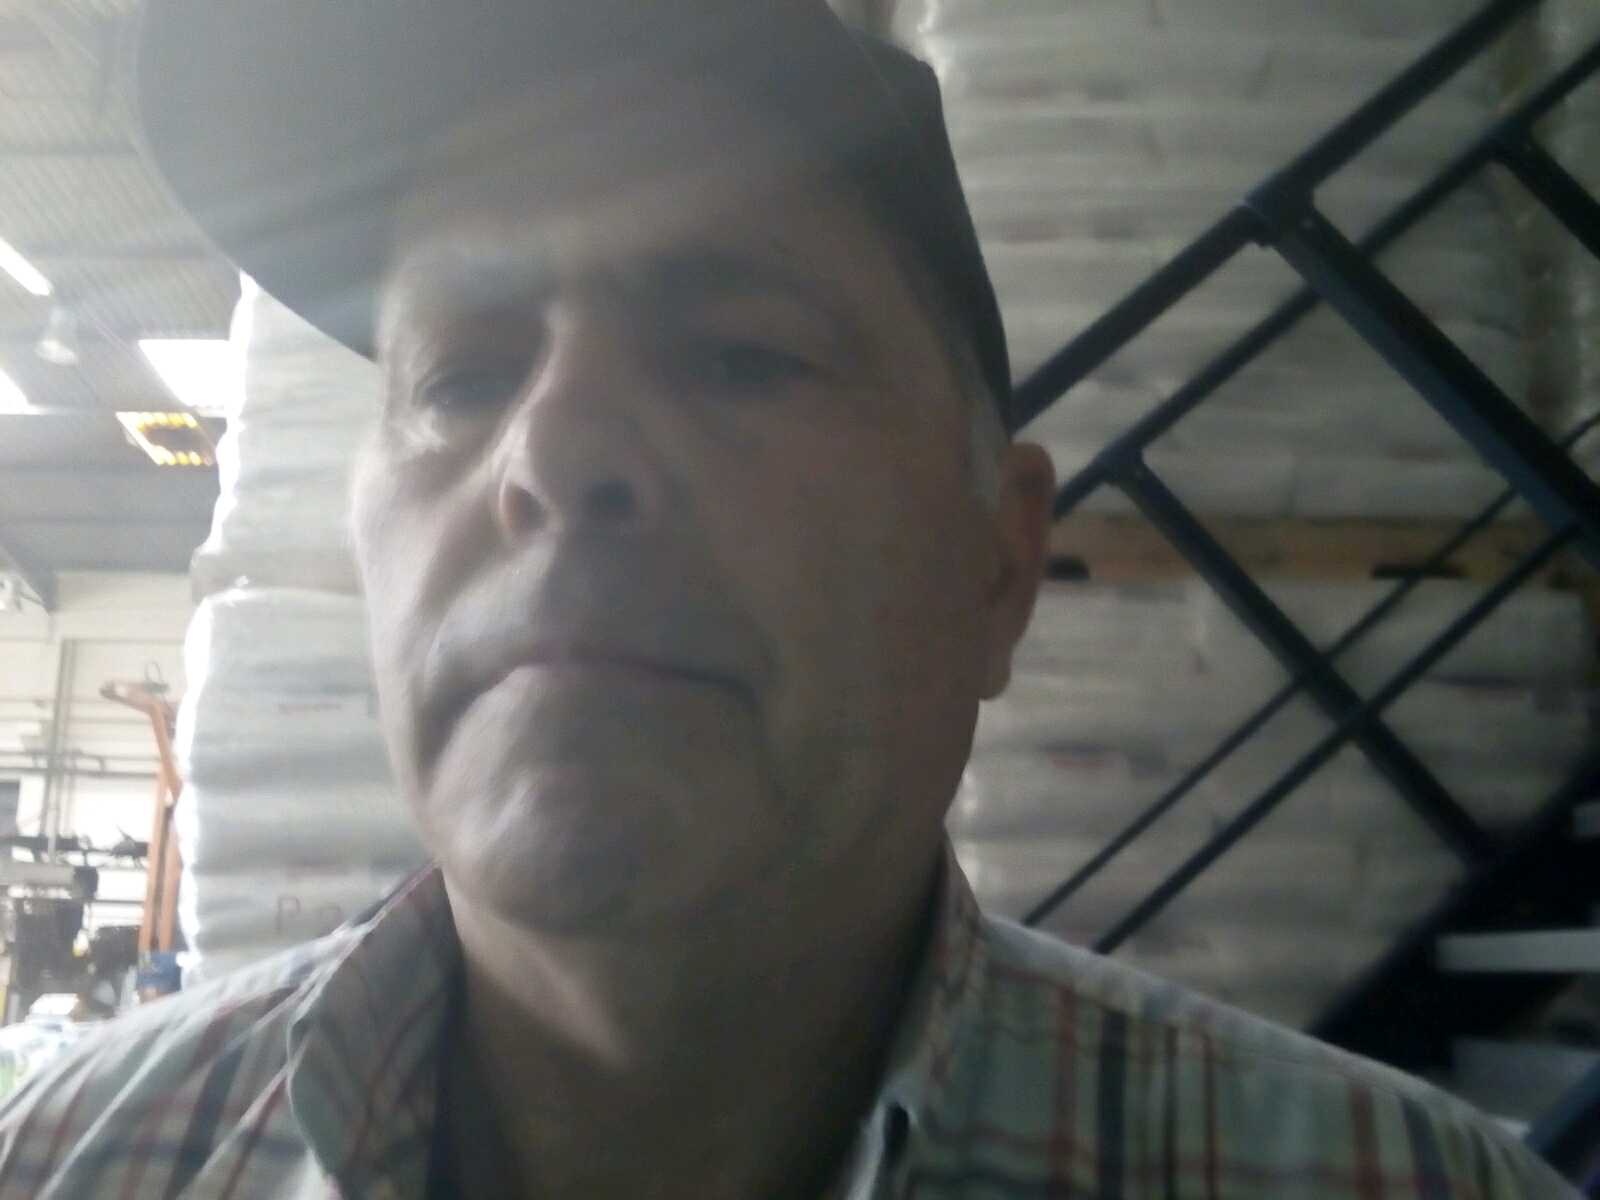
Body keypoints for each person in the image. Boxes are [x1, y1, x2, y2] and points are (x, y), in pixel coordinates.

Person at [0, 2, 1576, 1197]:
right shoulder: (72, 1162)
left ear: (998, 563)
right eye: (464, 376)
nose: (554, 451)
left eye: (740, 353)